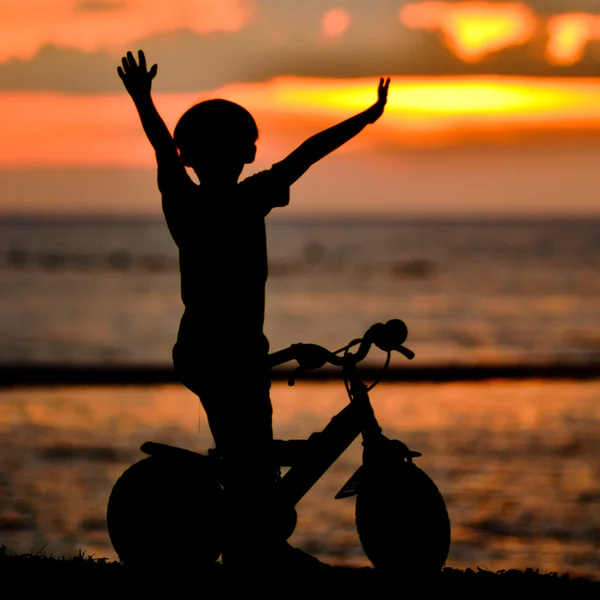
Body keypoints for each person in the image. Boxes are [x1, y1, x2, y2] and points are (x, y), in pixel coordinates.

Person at [117, 50, 390, 572]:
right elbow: (308, 154)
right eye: (245, 145)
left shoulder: (188, 199)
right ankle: (254, 549)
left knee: (253, 454)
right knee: (250, 461)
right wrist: (366, 116)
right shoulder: (244, 198)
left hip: (221, 350)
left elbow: (163, 148)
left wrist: (143, 99)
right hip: (223, 355)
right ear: (243, 154)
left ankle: (256, 539)